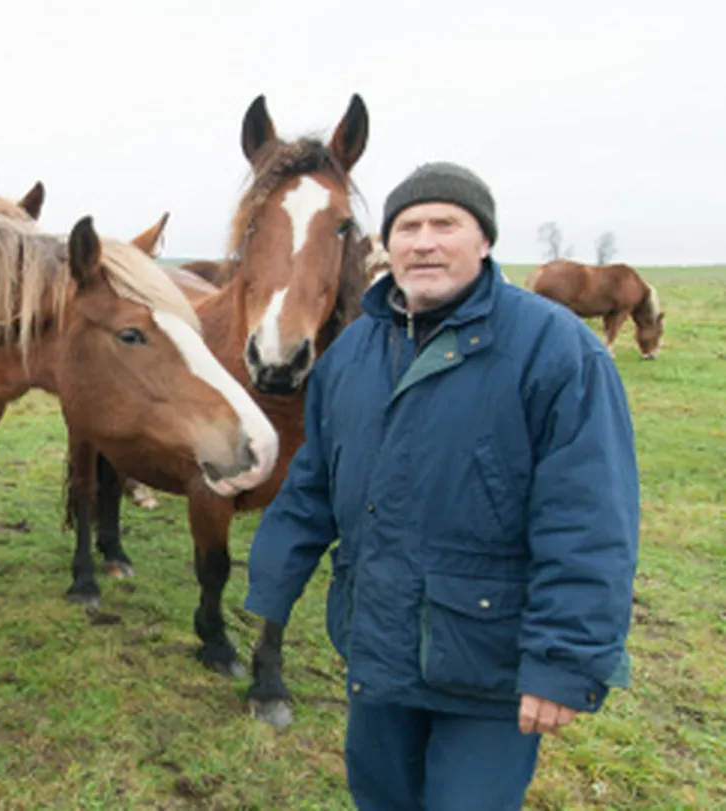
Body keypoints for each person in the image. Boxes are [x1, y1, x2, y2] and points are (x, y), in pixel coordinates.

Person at [242, 162, 639, 810]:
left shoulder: (556, 351)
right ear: (386, 246)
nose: (424, 241)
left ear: (483, 240)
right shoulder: (351, 354)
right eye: (408, 227)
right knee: (380, 797)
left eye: (445, 224)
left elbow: (590, 518)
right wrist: (273, 581)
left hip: (489, 666)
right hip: (378, 649)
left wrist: (565, 658)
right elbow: (314, 481)